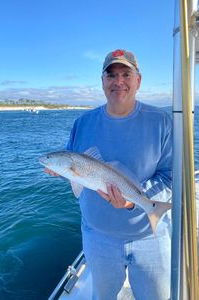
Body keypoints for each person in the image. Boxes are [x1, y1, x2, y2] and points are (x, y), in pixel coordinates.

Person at [46, 49, 172, 300]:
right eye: (111, 75)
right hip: (97, 237)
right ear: (102, 81)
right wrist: (60, 171)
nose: (118, 81)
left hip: (150, 238)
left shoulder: (162, 121)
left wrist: (133, 201)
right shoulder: (82, 123)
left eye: (126, 73)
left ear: (139, 80)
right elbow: (77, 168)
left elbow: (170, 177)